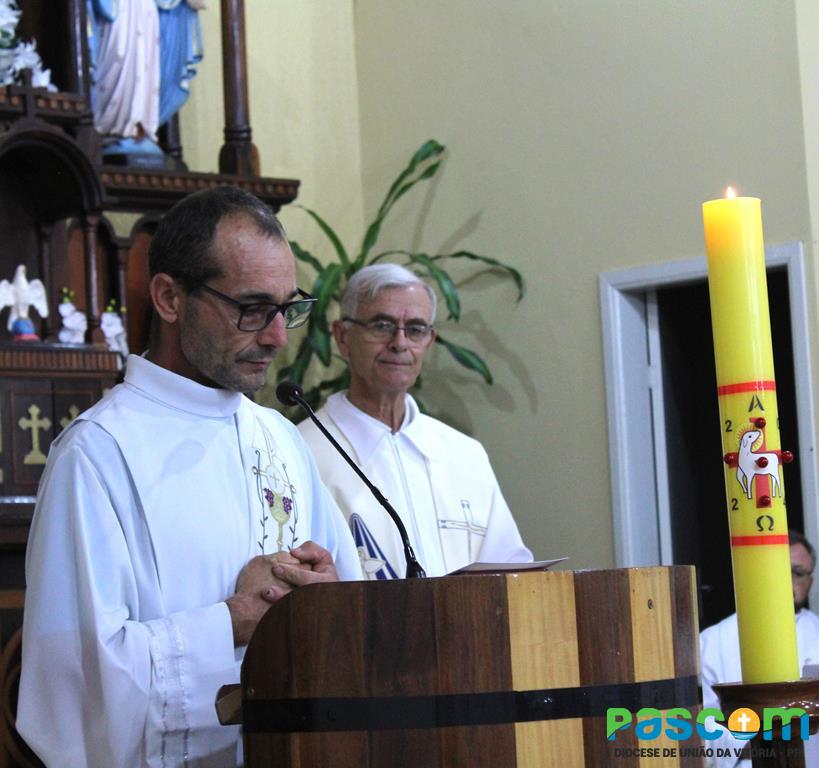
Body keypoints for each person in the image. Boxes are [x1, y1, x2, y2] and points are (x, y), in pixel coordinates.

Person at [17, 186, 361, 767]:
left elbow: (348, 616)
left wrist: (324, 602)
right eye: (252, 309)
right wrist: (233, 622)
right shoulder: (98, 454)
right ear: (170, 298)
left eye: (287, 308)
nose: (277, 336)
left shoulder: (278, 438)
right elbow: (76, 689)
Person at [298, 263, 532, 578]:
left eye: (416, 329)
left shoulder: (465, 454)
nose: (400, 343)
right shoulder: (302, 452)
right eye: (382, 325)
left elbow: (511, 573)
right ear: (342, 337)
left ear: (429, 341)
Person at [699, 530, 819, 768]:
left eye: (796, 573)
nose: (786, 581)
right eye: (776, 570)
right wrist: (759, 744)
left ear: (810, 582)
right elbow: (701, 724)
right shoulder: (713, 642)